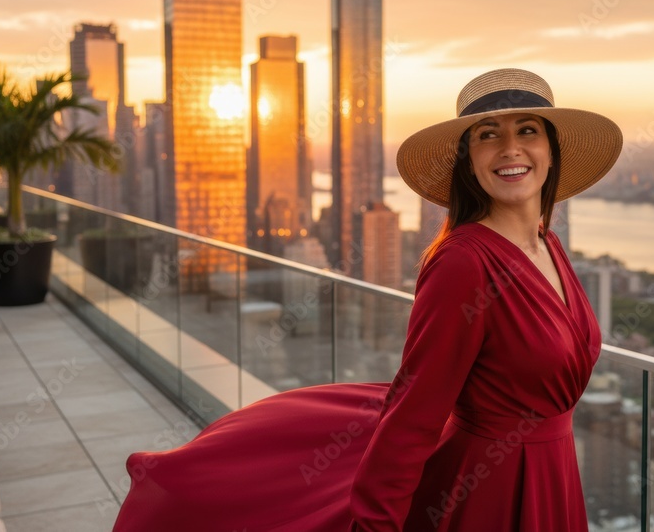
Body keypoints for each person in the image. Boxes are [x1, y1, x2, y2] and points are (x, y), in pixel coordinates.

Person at [112, 68, 623, 532]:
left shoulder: (549, 245)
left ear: (551, 149)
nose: (510, 148)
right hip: (490, 490)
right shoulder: (464, 264)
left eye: (527, 130)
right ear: (470, 160)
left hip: (555, 473)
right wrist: (375, 525)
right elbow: (416, 410)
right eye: (489, 135)